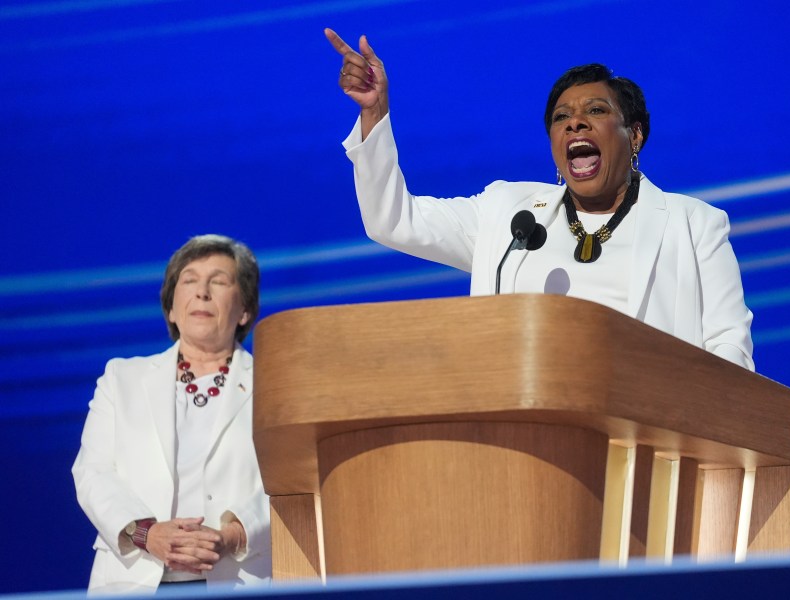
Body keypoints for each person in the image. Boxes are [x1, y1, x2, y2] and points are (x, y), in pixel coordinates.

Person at [325, 29, 753, 370]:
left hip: (645, 452)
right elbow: (394, 221)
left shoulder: (694, 225)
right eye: (561, 118)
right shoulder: (509, 215)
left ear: (635, 134)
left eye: (597, 111)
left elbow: (728, 350)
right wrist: (373, 114)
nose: (576, 124)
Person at [72, 234, 272, 594]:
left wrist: (231, 536)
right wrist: (147, 533)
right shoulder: (122, 378)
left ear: (244, 310)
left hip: (238, 580)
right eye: (190, 280)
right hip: (134, 579)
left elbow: (290, 483)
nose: (202, 292)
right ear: (171, 307)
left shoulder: (274, 383)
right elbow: (93, 473)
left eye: (219, 281)